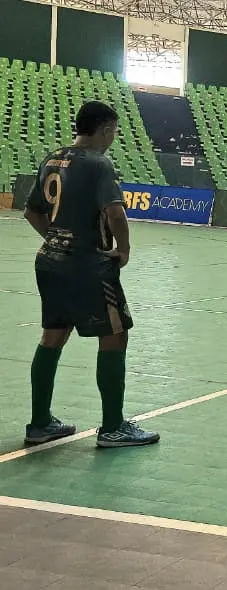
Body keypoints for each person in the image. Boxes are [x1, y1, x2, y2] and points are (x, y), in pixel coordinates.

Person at [22, 101, 160, 448]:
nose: (113, 137)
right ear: (104, 129)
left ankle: (40, 424)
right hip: (89, 265)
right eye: (113, 131)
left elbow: (31, 211)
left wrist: (57, 240)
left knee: (52, 336)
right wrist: (124, 250)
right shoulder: (99, 164)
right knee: (114, 335)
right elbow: (115, 213)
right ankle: (113, 426)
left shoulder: (51, 158)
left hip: (50, 262)